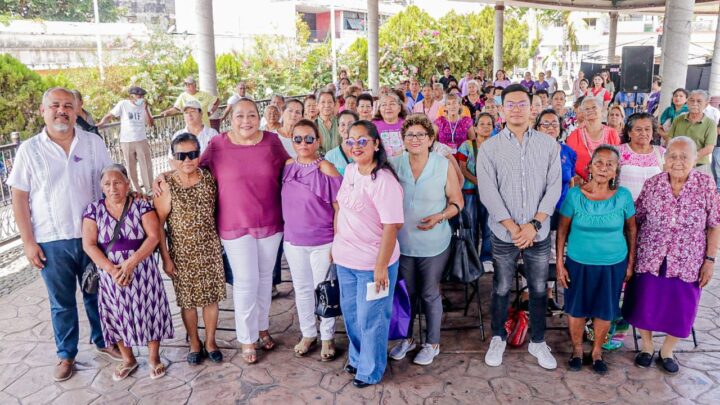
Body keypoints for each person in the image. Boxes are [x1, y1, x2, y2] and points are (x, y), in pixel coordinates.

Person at [158, 98, 290, 364]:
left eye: (251, 115)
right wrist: (163, 177)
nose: (246, 121)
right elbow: (192, 166)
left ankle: (262, 327)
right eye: (240, 115)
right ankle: (246, 338)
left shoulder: (273, 141)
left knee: (265, 280)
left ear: (259, 116)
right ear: (232, 118)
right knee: (245, 281)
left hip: (270, 221)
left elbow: (291, 167)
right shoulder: (218, 144)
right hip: (233, 224)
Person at [7, 87, 122, 382]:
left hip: (92, 237)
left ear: (77, 110)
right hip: (50, 239)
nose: (62, 111)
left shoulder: (93, 143)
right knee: (62, 302)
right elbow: (19, 197)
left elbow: (108, 182)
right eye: (55, 105)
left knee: (97, 294)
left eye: (68, 106)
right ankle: (66, 354)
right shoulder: (29, 150)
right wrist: (28, 242)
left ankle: (104, 341)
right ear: (43, 112)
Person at [477, 84, 561, 370]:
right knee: (500, 287)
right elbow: (488, 192)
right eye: (509, 104)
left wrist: (534, 224)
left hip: (537, 232)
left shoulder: (549, 145)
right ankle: (498, 337)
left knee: (538, 288)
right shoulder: (489, 148)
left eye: (521, 104)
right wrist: (513, 227)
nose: (516, 109)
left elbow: (554, 188)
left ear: (531, 107)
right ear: (501, 109)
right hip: (504, 233)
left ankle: (538, 341)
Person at [623, 136, 720, 374]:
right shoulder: (653, 183)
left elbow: (714, 224)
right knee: (644, 301)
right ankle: (646, 347)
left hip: (688, 259)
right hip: (651, 255)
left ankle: (667, 350)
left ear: (695, 159)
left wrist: (709, 260)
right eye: (673, 156)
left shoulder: (706, 185)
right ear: (664, 159)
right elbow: (637, 218)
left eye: (684, 156)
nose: (677, 161)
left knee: (681, 306)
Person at [82, 164, 174, 380]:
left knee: (150, 310)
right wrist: (112, 270)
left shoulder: (142, 206)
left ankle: (154, 359)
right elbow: (89, 244)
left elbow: (153, 236)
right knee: (116, 314)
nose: (112, 188)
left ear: (127, 184)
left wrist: (131, 263)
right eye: (107, 184)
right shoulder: (93, 210)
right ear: (101, 187)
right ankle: (128, 359)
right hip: (110, 272)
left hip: (142, 268)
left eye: (117, 182)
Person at [332, 120, 404, 387]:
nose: (356, 145)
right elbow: (341, 208)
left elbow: (392, 225)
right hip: (345, 259)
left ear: (376, 144)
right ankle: (358, 357)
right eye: (351, 140)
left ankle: (371, 369)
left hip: (373, 263)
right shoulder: (351, 171)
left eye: (363, 140)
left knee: (371, 317)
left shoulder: (383, 181)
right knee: (351, 315)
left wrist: (382, 265)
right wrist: (335, 243)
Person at [388, 115, 463, 366]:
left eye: (422, 135)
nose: (416, 139)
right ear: (404, 140)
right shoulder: (393, 164)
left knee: (430, 293)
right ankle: (406, 339)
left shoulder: (443, 165)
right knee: (406, 293)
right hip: (402, 243)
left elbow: (457, 203)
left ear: (431, 139)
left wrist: (440, 216)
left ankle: (432, 343)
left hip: (434, 243)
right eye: (410, 135)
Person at [556, 146, 637, 375]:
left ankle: (597, 351)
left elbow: (631, 230)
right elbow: (562, 231)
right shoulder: (574, 195)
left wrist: (631, 263)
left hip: (613, 264)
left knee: (605, 309)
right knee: (576, 308)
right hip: (578, 262)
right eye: (599, 162)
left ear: (616, 170)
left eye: (609, 164)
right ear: (590, 166)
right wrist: (560, 264)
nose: (603, 168)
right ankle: (577, 350)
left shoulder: (623, 196)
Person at [155, 135, 225, 365]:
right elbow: (159, 225)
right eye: (181, 155)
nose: (188, 159)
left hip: (210, 250)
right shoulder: (167, 186)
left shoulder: (209, 179)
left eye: (193, 154)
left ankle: (211, 342)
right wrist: (166, 258)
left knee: (211, 300)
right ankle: (194, 342)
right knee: (187, 302)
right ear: (173, 159)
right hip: (182, 254)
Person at [281, 119, 343, 361]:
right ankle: (308, 333)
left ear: (318, 141)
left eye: (309, 139)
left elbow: (340, 208)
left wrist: (338, 241)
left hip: (323, 241)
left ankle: (327, 336)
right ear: (292, 141)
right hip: (294, 240)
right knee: (302, 290)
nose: (303, 143)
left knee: (323, 290)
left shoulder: (325, 168)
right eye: (298, 139)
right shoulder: (287, 166)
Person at [533, 109, 575, 312]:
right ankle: (530, 293)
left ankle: (549, 294)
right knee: (535, 250)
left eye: (554, 124)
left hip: (563, 209)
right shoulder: (529, 151)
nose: (550, 128)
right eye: (545, 124)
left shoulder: (567, 152)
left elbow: (572, 181)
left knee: (553, 251)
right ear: (537, 128)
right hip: (538, 210)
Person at [98, 86, 154, 194]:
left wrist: (146, 109)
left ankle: (149, 190)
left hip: (141, 139)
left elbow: (150, 123)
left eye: (142, 96)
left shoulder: (143, 106)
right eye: (138, 96)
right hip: (126, 141)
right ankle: (136, 191)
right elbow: (111, 115)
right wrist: (100, 124)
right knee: (130, 167)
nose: (140, 98)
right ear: (131, 96)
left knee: (146, 166)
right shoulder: (123, 104)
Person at [458, 112, 495, 270]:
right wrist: (479, 182)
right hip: (469, 192)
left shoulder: (496, 146)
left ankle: (486, 258)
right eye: (482, 124)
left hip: (490, 193)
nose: (485, 127)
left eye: (489, 124)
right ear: (475, 127)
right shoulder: (467, 145)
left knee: (488, 225)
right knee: (471, 224)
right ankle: (471, 258)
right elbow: (462, 169)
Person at [565, 97, 621, 182]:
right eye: (587, 109)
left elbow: (618, 161)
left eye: (594, 107)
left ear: (601, 110)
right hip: (582, 185)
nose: (590, 110)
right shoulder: (574, 136)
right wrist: (577, 178)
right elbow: (568, 163)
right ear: (583, 113)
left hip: (607, 184)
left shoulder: (612, 133)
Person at [665, 90, 718, 173]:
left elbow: (709, 148)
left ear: (706, 104)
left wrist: (689, 160)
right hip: (677, 165)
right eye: (691, 100)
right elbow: (670, 139)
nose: (695, 103)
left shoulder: (710, 124)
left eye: (699, 101)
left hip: (699, 165)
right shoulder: (679, 119)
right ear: (687, 102)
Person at [618, 112, 665, 200]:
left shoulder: (662, 153)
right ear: (629, 133)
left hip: (652, 209)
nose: (643, 133)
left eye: (647, 129)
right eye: (638, 129)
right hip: (624, 209)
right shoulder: (618, 152)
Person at [373, 91, 407, 157]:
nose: (388, 107)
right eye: (384, 105)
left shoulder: (408, 123)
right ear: (379, 109)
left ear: (399, 108)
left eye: (392, 104)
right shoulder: (373, 125)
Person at [325, 110, 357, 176]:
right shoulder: (330, 156)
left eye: (350, 124)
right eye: (342, 124)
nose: (346, 128)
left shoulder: (364, 152)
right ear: (338, 128)